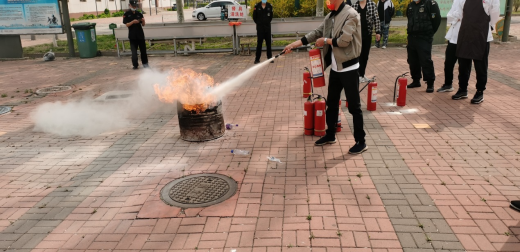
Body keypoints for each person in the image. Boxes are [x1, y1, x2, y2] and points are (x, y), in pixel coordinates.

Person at [283, 0, 367, 154]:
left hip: (349, 68)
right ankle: (330, 135)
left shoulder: (351, 15)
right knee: (332, 104)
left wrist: (326, 41)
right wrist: (293, 45)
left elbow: (344, 41)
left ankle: (361, 141)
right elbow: (316, 33)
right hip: (336, 68)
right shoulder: (331, 16)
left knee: (354, 107)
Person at [451, 0, 500, 104]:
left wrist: (489, 25)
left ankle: (480, 91)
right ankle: (462, 89)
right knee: (463, 64)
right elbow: (458, 12)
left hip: (481, 34)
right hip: (465, 32)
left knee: (480, 66)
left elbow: (495, 13)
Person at [405, 0, 441, 93]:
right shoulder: (411, 5)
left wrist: (430, 34)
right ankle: (416, 80)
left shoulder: (430, 3)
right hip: (412, 37)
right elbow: (409, 19)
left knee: (425, 60)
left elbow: (436, 20)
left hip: (424, 38)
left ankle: (430, 83)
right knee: (412, 60)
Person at [352, 0, 380, 83]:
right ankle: (358, 75)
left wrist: (378, 32)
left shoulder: (372, 4)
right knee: (358, 55)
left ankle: (362, 74)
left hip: (367, 34)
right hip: (357, 36)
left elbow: (376, 19)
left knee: (365, 55)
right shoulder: (354, 6)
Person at [436, 0, 461, 93]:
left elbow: (464, 17)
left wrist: (457, 16)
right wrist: (456, 16)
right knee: (448, 62)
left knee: (463, 65)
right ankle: (448, 84)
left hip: (465, 38)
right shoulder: (456, 1)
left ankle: (462, 88)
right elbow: (449, 16)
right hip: (453, 38)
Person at [123, 0, 149, 69]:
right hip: (132, 36)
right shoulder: (127, 14)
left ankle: (145, 64)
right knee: (134, 52)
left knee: (143, 51)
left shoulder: (139, 13)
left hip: (140, 35)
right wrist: (132, 22)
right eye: (133, 6)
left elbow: (143, 25)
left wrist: (143, 21)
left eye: (135, 6)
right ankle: (135, 65)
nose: (134, 7)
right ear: (130, 5)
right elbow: (127, 25)